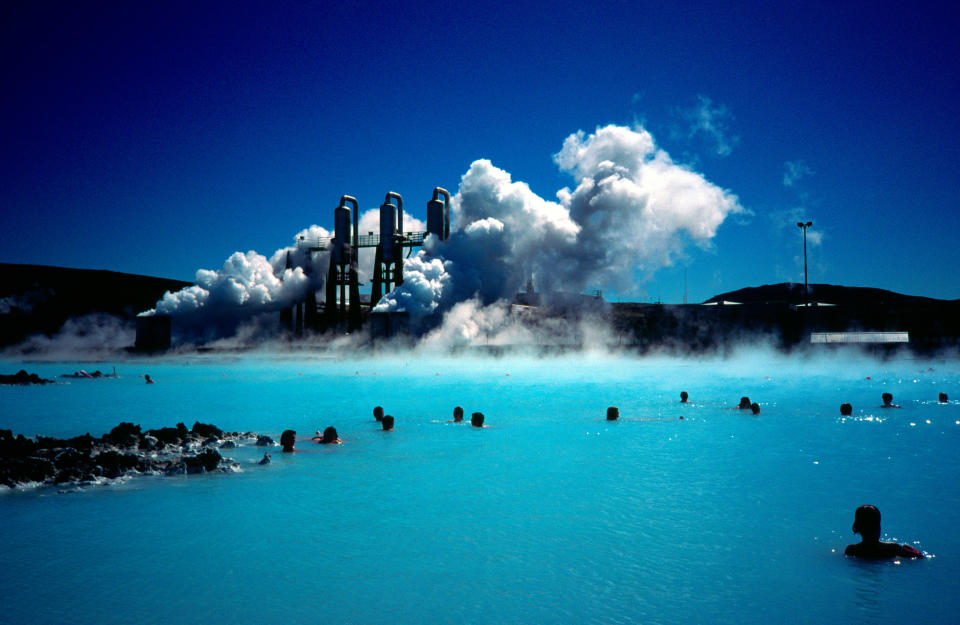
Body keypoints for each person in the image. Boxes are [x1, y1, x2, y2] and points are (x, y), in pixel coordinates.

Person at [844, 505, 924, 559]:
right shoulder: (892, 548)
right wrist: (910, 548)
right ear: (878, 528)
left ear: (857, 528)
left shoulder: (852, 550)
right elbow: (919, 557)